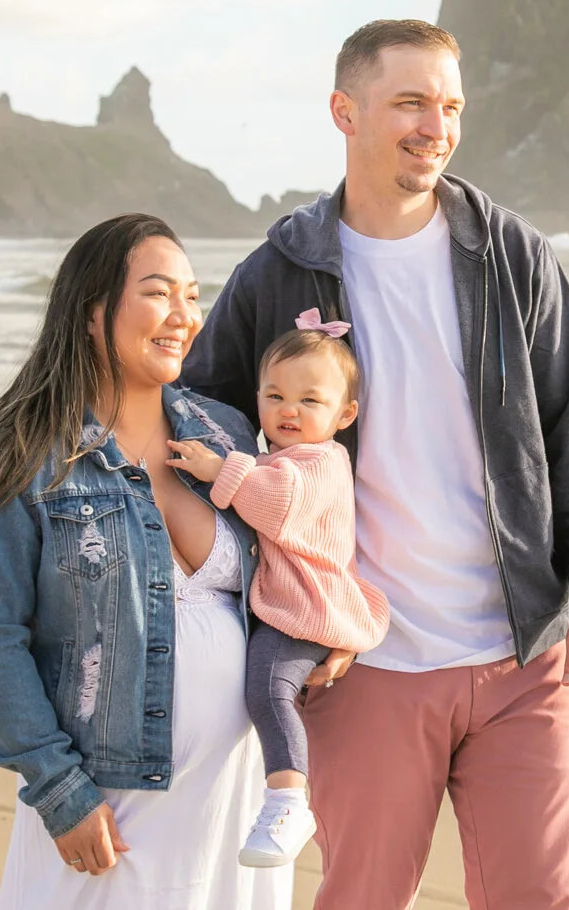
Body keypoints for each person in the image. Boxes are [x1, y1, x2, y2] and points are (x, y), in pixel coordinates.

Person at [182, 19, 569, 910]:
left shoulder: (513, 256)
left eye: (452, 105)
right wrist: (266, 597)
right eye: (412, 102)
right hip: (364, 661)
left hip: (524, 653)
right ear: (346, 112)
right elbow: (200, 413)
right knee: (362, 897)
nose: (437, 125)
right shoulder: (281, 270)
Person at [0, 213, 294, 910]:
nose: (184, 316)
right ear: (91, 310)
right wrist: (59, 790)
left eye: (193, 295)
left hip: (234, 796)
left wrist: (326, 637)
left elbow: (293, 560)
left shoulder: (223, 432)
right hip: (109, 808)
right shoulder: (24, 455)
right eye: (159, 292)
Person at [168, 308, 389, 869]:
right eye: (274, 396)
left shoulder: (318, 463)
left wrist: (218, 468)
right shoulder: (287, 457)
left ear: (345, 415)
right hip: (296, 604)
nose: (288, 410)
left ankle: (289, 802)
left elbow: (276, 502)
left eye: (310, 401)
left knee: (268, 687)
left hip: (307, 612)